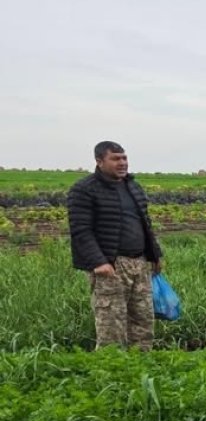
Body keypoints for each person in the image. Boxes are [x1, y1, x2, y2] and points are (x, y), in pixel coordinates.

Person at [68, 141, 164, 350]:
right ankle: (111, 367)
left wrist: (155, 255)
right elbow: (81, 230)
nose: (122, 163)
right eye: (115, 159)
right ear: (99, 161)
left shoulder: (133, 186)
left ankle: (141, 364)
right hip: (111, 266)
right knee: (111, 326)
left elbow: (145, 223)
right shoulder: (84, 189)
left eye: (124, 158)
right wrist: (99, 262)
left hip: (139, 263)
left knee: (143, 323)